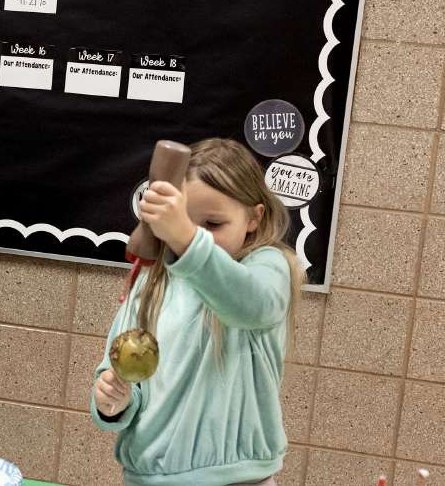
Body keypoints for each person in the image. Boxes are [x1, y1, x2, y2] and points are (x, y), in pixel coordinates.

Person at [91, 138, 307, 486]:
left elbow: (251, 305)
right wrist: (113, 401)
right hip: (149, 478)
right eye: (183, 221)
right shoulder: (152, 281)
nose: (193, 234)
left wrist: (187, 239)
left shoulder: (267, 268)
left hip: (239, 481)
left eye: (213, 224)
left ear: (254, 217)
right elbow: (122, 372)